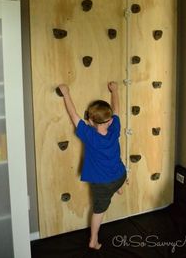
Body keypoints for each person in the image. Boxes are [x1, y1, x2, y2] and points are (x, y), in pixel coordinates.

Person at [58, 81, 126, 250]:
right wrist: (115, 90)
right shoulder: (114, 128)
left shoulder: (89, 135)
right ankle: (119, 187)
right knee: (120, 170)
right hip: (120, 175)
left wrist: (66, 94)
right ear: (109, 121)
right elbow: (116, 109)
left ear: (90, 121)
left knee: (99, 212)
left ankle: (93, 240)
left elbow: (73, 115)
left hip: (102, 185)